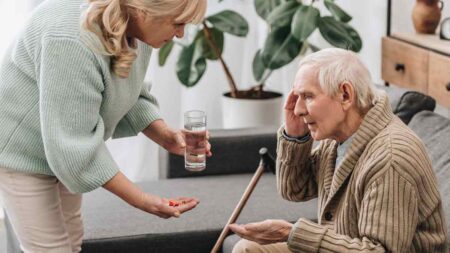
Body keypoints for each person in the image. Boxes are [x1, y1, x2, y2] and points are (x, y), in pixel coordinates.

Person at [0, 0, 209, 252]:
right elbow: (74, 148)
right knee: (51, 249)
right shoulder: (72, 40)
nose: (180, 34)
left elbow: (128, 91)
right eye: (177, 23)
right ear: (144, 12)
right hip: (20, 152)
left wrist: (164, 135)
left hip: (63, 143)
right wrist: (143, 200)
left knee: (72, 241)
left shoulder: (136, 29)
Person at [229, 48, 448, 252]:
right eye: (297, 97)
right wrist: (295, 136)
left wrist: (292, 232)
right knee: (248, 249)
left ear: (345, 94)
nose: (297, 109)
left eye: (308, 96)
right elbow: (294, 189)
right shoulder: (337, 139)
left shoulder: (390, 157)